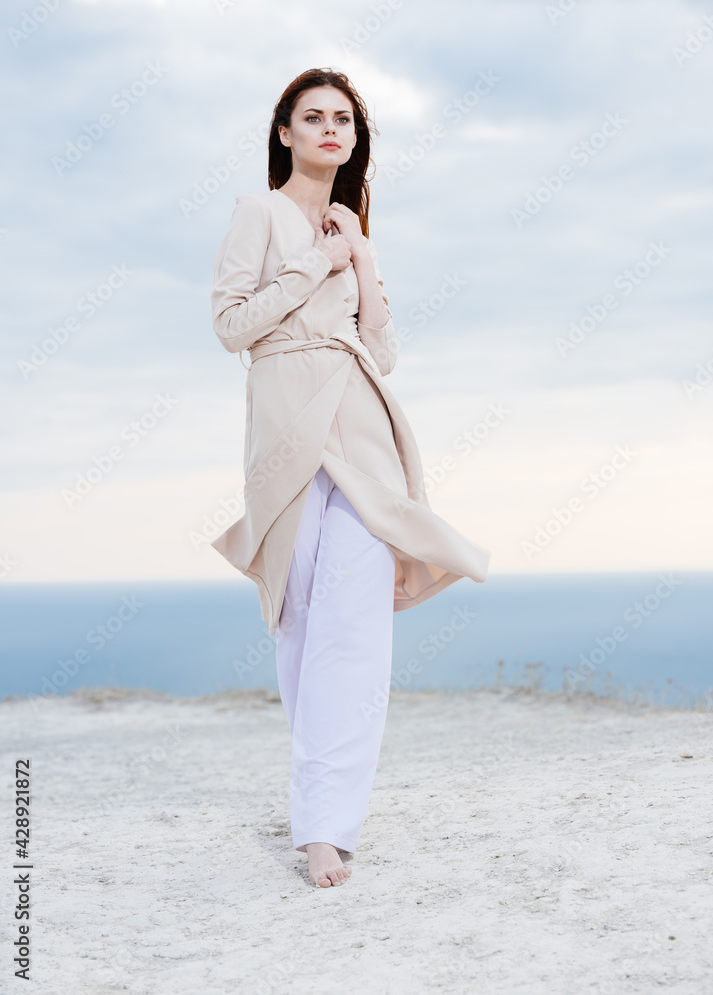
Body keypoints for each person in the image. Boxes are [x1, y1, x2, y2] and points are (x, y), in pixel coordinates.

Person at [210, 68, 491, 888]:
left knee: (357, 627)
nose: (331, 129)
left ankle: (326, 827)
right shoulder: (256, 212)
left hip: (362, 427)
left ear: (355, 138)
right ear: (286, 132)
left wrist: (359, 255)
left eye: (344, 119)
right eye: (313, 117)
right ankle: (317, 803)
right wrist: (312, 267)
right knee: (302, 625)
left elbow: (387, 351)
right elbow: (231, 327)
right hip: (287, 424)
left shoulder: (351, 222)